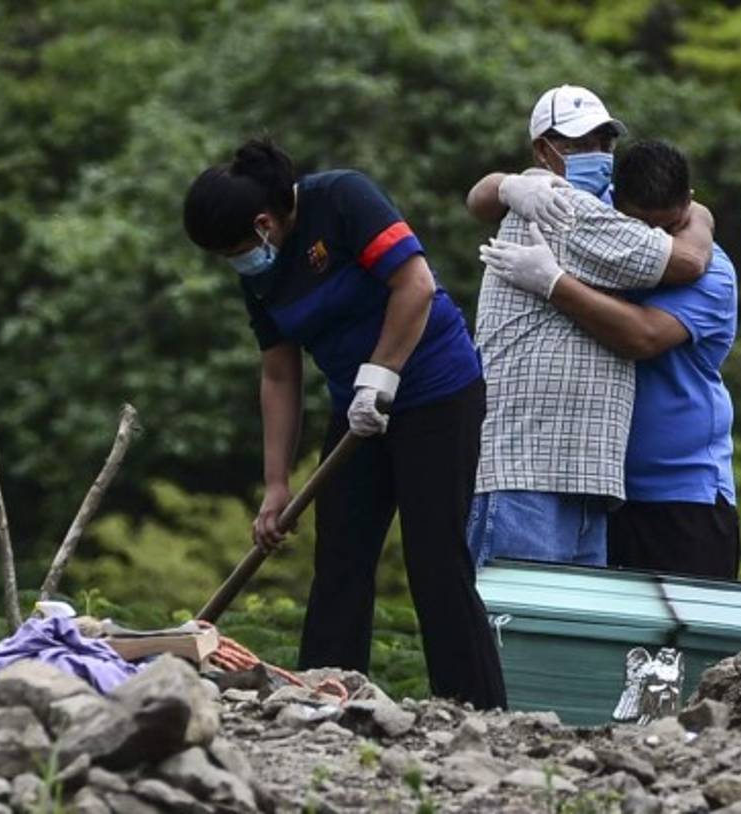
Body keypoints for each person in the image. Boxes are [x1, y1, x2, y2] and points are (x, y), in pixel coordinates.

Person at [182, 138, 505, 709]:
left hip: (437, 393)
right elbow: (279, 374)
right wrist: (276, 483)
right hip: (355, 409)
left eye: (234, 250)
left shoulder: (345, 198)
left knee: (434, 555)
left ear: (263, 224)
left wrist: (381, 376)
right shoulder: (262, 273)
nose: (234, 263)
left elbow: (417, 284)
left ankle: (471, 707)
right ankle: (323, 699)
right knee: (340, 556)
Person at [465, 85, 716, 569]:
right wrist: (700, 212)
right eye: (579, 145)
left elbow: (482, 195)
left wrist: (500, 184)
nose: (597, 156)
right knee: (513, 637)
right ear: (544, 150)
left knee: (563, 642)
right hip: (528, 469)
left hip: (582, 474)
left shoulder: (603, 209)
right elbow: (685, 260)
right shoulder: (558, 207)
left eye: (604, 143)